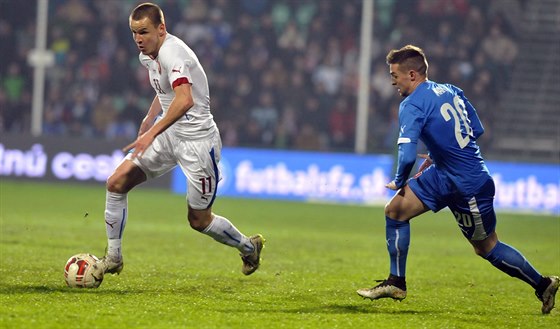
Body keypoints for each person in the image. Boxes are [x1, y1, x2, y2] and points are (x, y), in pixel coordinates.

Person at [356, 45, 559, 314]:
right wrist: (439, 152)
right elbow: (476, 129)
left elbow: (405, 156)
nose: (392, 81)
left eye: (395, 75)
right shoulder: (452, 91)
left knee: (487, 247)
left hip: (468, 185)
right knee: (394, 211)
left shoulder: (412, 104)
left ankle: (543, 284)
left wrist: (399, 179)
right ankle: (396, 282)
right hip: (443, 173)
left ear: (413, 74)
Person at [92, 2, 264, 280]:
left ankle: (248, 247)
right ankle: (113, 257)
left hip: (198, 142)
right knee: (116, 182)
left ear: (162, 29)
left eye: (144, 32)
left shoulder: (175, 53)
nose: (138, 39)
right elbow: (166, 91)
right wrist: (150, 118)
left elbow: (184, 100)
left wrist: (151, 133)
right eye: (134, 32)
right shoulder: (147, 55)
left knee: (199, 221)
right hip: (168, 133)